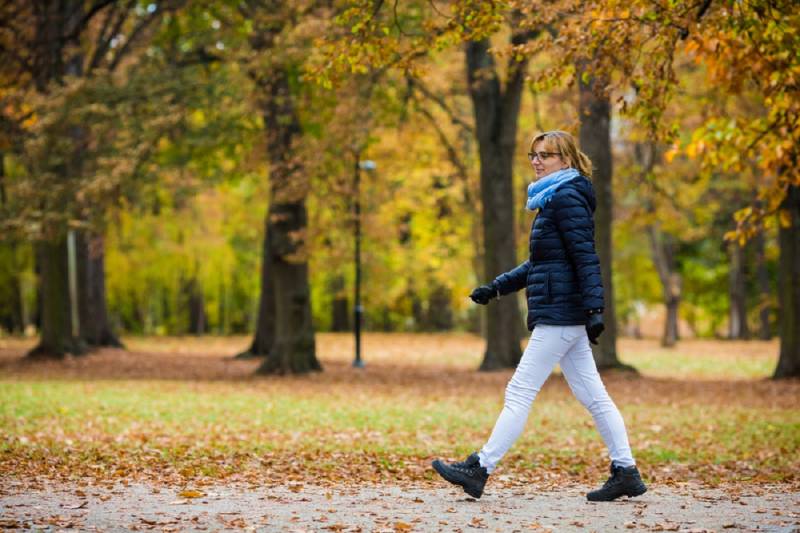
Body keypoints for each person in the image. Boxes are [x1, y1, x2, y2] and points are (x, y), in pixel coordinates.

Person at [431, 130, 647, 502]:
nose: (536, 161)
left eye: (545, 155)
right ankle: (625, 471)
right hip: (561, 310)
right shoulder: (554, 198)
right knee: (593, 396)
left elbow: (585, 256)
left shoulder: (566, 198)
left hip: (561, 313)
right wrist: (497, 287)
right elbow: (542, 263)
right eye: (533, 155)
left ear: (565, 160)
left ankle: (480, 468)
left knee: (520, 391)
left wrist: (596, 309)